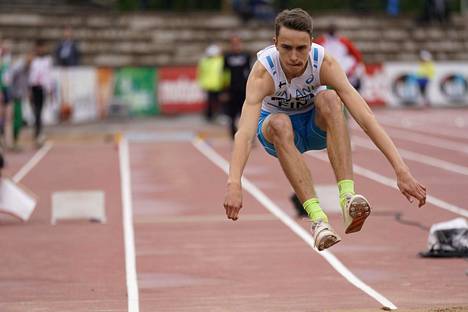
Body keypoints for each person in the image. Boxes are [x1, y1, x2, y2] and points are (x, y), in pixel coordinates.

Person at [223, 8, 426, 251]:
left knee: (331, 99)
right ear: (275, 44)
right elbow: (244, 134)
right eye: (287, 48)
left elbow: (365, 117)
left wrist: (401, 170)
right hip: (277, 133)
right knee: (279, 123)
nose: (295, 57)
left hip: (314, 126)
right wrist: (234, 183)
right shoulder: (262, 72)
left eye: (301, 48)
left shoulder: (324, 62)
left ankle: (348, 197)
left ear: (311, 43)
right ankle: (318, 220)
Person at [223, 35, 251, 139]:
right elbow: (224, 74)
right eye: (233, 43)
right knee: (232, 114)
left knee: (245, 113)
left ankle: (247, 135)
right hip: (231, 90)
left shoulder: (246, 56)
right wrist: (224, 91)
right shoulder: (227, 57)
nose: (236, 45)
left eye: (238, 43)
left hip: (243, 89)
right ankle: (233, 134)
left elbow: (250, 73)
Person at [29, 40, 53, 148]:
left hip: (42, 88)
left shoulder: (47, 60)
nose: (40, 50)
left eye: (42, 48)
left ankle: (38, 132)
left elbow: (48, 76)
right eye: (38, 48)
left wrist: (49, 88)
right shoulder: (32, 60)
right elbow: (30, 76)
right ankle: (37, 133)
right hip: (34, 88)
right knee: (36, 111)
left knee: (40, 111)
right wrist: (29, 89)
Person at [196, 44, 224, 122]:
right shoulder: (219, 60)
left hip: (214, 84)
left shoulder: (205, 61)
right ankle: (211, 115)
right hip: (213, 84)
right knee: (212, 101)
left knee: (215, 101)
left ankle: (213, 115)